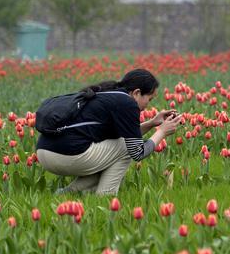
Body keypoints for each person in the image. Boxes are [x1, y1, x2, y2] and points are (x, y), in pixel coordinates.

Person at [36, 68, 182, 195]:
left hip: (45, 152)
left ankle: (67, 194)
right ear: (137, 92)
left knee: (116, 149)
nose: (147, 105)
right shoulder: (127, 103)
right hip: (67, 155)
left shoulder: (106, 96)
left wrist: (152, 123)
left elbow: (125, 137)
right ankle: (106, 197)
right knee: (125, 149)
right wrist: (161, 132)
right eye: (149, 99)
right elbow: (137, 152)